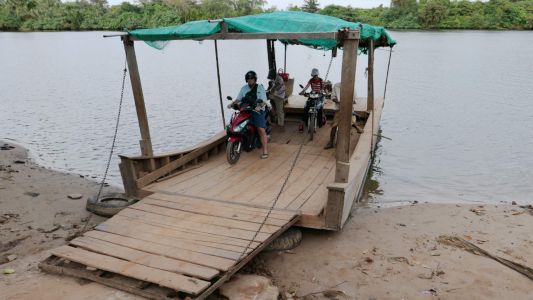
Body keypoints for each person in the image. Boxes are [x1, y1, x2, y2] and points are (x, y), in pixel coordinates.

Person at [230, 70, 269, 159]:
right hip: (246, 110)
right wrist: (232, 103)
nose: (250, 80)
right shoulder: (244, 88)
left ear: (255, 79)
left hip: (258, 111)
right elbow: (238, 99)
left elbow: (264, 100)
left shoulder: (260, 88)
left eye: (252, 79)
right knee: (236, 122)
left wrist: (259, 106)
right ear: (246, 80)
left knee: (260, 129)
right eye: (248, 79)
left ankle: (265, 150)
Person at [324, 82, 363, 149]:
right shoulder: (336, 86)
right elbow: (333, 98)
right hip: (339, 109)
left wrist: (347, 102)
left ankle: (355, 128)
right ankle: (331, 142)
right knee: (334, 126)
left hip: (348, 108)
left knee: (350, 122)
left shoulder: (351, 86)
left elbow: (354, 100)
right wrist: (339, 101)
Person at [299, 68, 324, 132]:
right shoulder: (311, 80)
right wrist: (303, 91)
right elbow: (307, 87)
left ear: (318, 75)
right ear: (312, 75)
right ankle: (303, 122)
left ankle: (320, 122)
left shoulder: (321, 80)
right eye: (313, 75)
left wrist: (325, 92)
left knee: (320, 108)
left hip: (319, 95)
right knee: (306, 107)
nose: (315, 77)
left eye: (316, 75)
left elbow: (324, 88)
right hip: (312, 95)